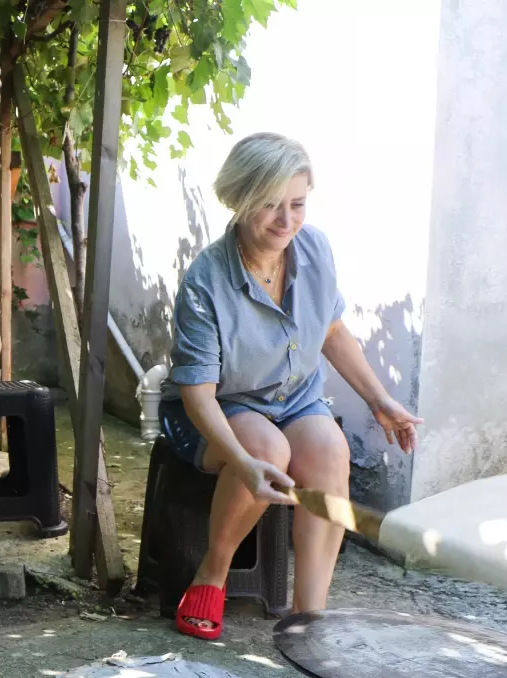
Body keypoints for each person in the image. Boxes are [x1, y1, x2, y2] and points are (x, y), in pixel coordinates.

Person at [162, 133, 423, 641]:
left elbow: (329, 331)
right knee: (265, 447)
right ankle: (213, 571)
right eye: (269, 205)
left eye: (297, 204)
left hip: (295, 398)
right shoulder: (206, 280)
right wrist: (242, 462)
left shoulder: (315, 248)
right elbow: (198, 394)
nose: (286, 221)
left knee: (329, 451)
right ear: (238, 201)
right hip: (218, 408)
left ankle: (309, 618)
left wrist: (380, 400)